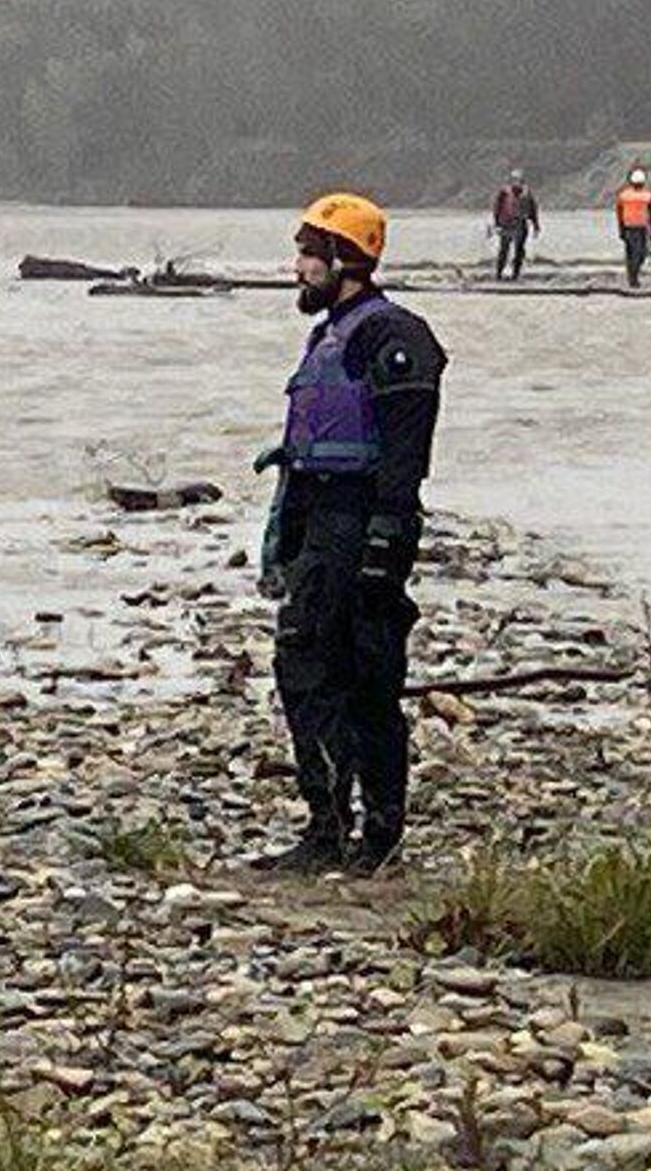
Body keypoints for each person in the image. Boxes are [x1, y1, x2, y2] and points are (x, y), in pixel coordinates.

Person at [257, 193, 447, 874]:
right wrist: (285, 538)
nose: (298, 266)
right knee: (311, 667)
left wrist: (382, 544)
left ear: (344, 260)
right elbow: (305, 453)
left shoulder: (392, 337)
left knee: (362, 676)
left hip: (364, 523)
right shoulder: (330, 334)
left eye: (310, 254)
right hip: (324, 524)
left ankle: (373, 832)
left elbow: (405, 454)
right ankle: (331, 826)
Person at [490, 169, 540, 281]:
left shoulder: (527, 193)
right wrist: (496, 223)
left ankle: (515, 275)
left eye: (519, 180)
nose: (517, 182)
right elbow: (496, 208)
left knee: (519, 251)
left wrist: (536, 225)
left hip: (521, 224)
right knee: (504, 250)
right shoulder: (504, 192)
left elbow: (533, 210)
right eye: (515, 180)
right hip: (506, 224)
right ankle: (498, 274)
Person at [615, 167, 651, 289]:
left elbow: (619, 214)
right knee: (639, 254)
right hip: (639, 228)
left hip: (630, 228)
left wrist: (621, 230)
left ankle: (632, 277)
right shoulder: (648, 196)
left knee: (632, 254)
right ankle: (633, 279)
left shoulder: (623, 195)